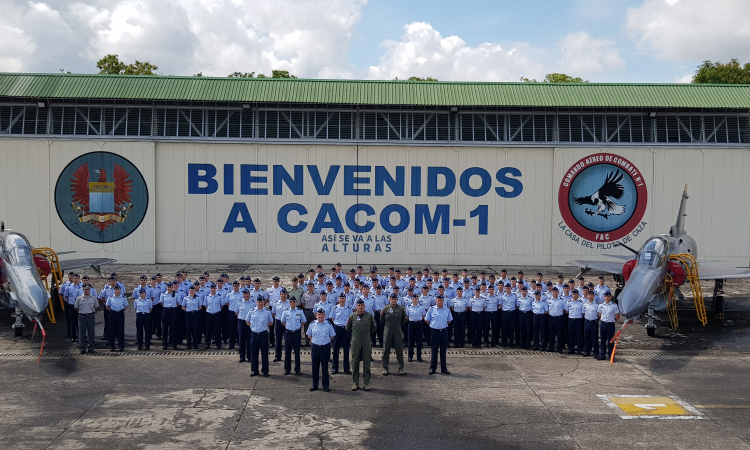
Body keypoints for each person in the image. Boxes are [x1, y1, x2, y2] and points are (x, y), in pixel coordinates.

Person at [346, 299, 377, 391]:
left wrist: (366, 334)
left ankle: (366, 383)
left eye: (361, 305)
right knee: (355, 363)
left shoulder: (369, 316)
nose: (360, 307)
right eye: (358, 305)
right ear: (356, 306)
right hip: (356, 343)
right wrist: (356, 335)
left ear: (364, 306)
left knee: (367, 363)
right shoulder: (352, 317)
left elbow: (374, 327)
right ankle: (355, 383)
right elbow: (348, 328)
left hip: (366, 342)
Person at [307, 308, 336, 392]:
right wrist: (316, 341)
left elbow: (332, 336)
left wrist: (324, 342)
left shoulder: (328, 324)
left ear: (325, 315)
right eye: (319, 314)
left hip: (325, 348)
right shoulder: (312, 324)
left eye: (322, 314)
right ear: (316, 315)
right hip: (315, 347)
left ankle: (326, 385)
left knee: (325, 367)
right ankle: (314, 384)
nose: (320, 316)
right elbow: (309, 335)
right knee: (315, 367)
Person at [381, 293, 408, 376]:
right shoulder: (385, 309)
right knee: (386, 349)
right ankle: (385, 367)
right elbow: (382, 319)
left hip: (397, 329)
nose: (393, 301)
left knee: (399, 349)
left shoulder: (401, 309)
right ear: (390, 300)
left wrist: (398, 325)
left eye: (395, 299)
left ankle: (401, 368)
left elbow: (404, 319)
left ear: (397, 300)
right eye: (392, 299)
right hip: (388, 329)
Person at [425, 295, 452, 375]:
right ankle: (433, 368)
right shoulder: (431, 309)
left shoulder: (447, 310)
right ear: (436, 301)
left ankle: (444, 368)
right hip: (434, 332)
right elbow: (427, 320)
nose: (439, 302)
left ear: (443, 301)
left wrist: (442, 325)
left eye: (441, 300)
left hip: (443, 332)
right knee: (434, 351)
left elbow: (449, 320)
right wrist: (433, 325)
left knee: (443, 351)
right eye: (438, 300)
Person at [248, 298, 274, 376]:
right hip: (254, 334)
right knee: (254, 353)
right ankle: (254, 370)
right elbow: (247, 321)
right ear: (257, 302)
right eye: (259, 302)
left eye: (262, 302)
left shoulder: (267, 312)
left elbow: (271, 322)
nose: (260, 303)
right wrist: (252, 327)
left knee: (265, 353)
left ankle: (265, 371)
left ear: (264, 303)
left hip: (263, 334)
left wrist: (264, 326)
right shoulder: (252, 311)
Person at [281, 297, 306, 376]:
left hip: (296, 333)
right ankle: (287, 369)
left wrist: (297, 326)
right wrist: (289, 326)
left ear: (296, 303)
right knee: (287, 352)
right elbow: (283, 321)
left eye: (294, 301)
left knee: (297, 352)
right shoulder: (286, 312)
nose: (292, 302)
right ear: (289, 302)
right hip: (288, 333)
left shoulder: (300, 311)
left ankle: (297, 369)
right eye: (291, 301)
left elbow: (304, 321)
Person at [74, 284, 100, 354]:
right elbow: (76, 308)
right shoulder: (79, 298)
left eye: (88, 289)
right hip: (82, 316)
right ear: (83, 290)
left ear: (90, 290)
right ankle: (82, 348)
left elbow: (96, 307)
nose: (86, 291)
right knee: (81, 333)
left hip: (90, 315)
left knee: (91, 332)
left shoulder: (93, 298)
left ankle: (91, 347)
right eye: (85, 289)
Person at [331, 293, 352, 375]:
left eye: (343, 298)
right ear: (338, 299)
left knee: (346, 349)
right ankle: (334, 368)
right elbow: (332, 318)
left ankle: (346, 368)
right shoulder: (335, 308)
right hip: (337, 329)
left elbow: (350, 318)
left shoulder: (349, 308)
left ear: (345, 299)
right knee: (335, 349)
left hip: (346, 329)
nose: (342, 300)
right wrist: (337, 324)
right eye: (340, 298)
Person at [598, 292, 620, 361]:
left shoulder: (614, 305)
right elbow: (599, 314)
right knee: (603, 340)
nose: (607, 298)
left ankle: (611, 355)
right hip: (603, 324)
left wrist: (611, 321)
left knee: (611, 340)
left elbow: (617, 316)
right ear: (604, 297)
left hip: (610, 324)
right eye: (606, 296)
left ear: (610, 297)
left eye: (608, 296)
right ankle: (602, 354)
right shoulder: (601, 305)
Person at [235, 289, 255, 363]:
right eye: (245, 294)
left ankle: (249, 356)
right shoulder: (239, 303)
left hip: (249, 323)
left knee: (250, 339)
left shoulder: (253, 303)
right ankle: (242, 357)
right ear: (243, 295)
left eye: (247, 294)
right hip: (241, 322)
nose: (246, 295)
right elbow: (236, 312)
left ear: (249, 295)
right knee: (241, 340)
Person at [105, 286, 128, 352]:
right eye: (116, 289)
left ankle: (121, 346)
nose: (117, 291)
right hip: (113, 313)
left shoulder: (123, 298)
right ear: (114, 290)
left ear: (120, 290)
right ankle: (112, 346)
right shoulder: (110, 297)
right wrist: (113, 311)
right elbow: (107, 306)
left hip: (120, 313)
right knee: (111, 330)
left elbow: (125, 306)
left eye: (118, 289)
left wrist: (120, 311)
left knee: (120, 330)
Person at [271, 288, 291, 362]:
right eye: (282, 294)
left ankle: (287, 356)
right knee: (278, 340)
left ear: (287, 295)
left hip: (287, 323)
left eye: (285, 294)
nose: (283, 296)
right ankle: (278, 356)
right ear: (280, 295)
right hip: (279, 323)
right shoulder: (276, 303)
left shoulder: (289, 303)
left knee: (287, 340)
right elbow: (273, 313)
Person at [406, 294, 426, 362]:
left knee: (419, 341)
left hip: (419, 324)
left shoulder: (421, 307)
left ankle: (419, 356)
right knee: (411, 341)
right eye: (413, 299)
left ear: (418, 299)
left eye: (416, 299)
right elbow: (407, 316)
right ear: (412, 299)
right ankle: (410, 356)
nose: (415, 300)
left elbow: (423, 315)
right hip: (411, 324)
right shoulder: (408, 307)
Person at [160, 283, 180, 350]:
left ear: (172, 287)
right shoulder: (163, 294)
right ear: (166, 288)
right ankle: (165, 344)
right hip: (166, 310)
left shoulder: (175, 294)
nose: (169, 288)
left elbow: (177, 303)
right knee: (165, 328)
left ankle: (174, 344)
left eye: (170, 287)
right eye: (168, 287)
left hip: (173, 310)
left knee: (174, 328)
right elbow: (162, 303)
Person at [204, 284, 224, 350]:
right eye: (212, 288)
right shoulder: (207, 297)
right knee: (208, 330)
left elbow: (221, 305)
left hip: (217, 315)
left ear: (216, 289)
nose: (213, 290)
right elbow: (206, 306)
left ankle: (218, 344)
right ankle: (207, 344)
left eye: (214, 288)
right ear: (210, 289)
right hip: (209, 315)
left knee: (217, 330)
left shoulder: (219, 297)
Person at [225, 281, 244, 349]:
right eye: (235, 286)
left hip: (240, 313)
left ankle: (240, 343)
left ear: (239, 286)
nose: (236, 287)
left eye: (237, 286)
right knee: (231, 328)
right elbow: (227, 303)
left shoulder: (242, 294)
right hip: (232, 313)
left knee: (239, 329)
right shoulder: (229, 294)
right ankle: (231, 343)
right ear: (233, 287)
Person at [301, 282, 320, 347]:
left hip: (314, 312)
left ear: (313, 287)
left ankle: (314, 340)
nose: (310, 288)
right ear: (307, 287)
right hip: (307, 311)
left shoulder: (317, 295)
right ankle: (307, 341)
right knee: (306, 326)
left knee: (315, 326)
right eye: (309, 286)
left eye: (311, 286)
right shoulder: (304, 295)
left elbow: (318, 303)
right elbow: (303, 304)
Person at [547, 288, 566, 353]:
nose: (554, 293)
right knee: (551, 333)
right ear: (552, 293)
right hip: (551, 318)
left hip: (559, 318)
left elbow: (564, 310)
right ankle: (551, 347)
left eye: (556, 292)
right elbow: (547, 309)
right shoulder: (548, 300)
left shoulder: (562, 300)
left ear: (558, 293)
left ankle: (559, 348)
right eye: (553, 292)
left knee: (559, 334)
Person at [566, 290, 584, 355]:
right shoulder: (569, 302)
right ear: (571, 295)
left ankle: (579, 350)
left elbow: (583, 313)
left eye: (576, 294)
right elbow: (567, 311)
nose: (574, 295)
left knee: (579, 336)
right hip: (571, 320)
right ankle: (571, 349)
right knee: (571, 336)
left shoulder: (581, 303)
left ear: (578, 295)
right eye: (573, 294)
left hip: (578, 320)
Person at [582, 291, 600, 357]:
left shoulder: (597, 305)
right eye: (589, 295)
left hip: (594, 322)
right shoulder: (585, 304)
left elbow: (599, 315)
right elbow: (583, 313)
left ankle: (596, 353)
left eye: (591, 295)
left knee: (594, 338)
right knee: (587, 337)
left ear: (593, 296)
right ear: (587, 296)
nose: (590, 296)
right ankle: (587, 351)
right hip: (587, 322)